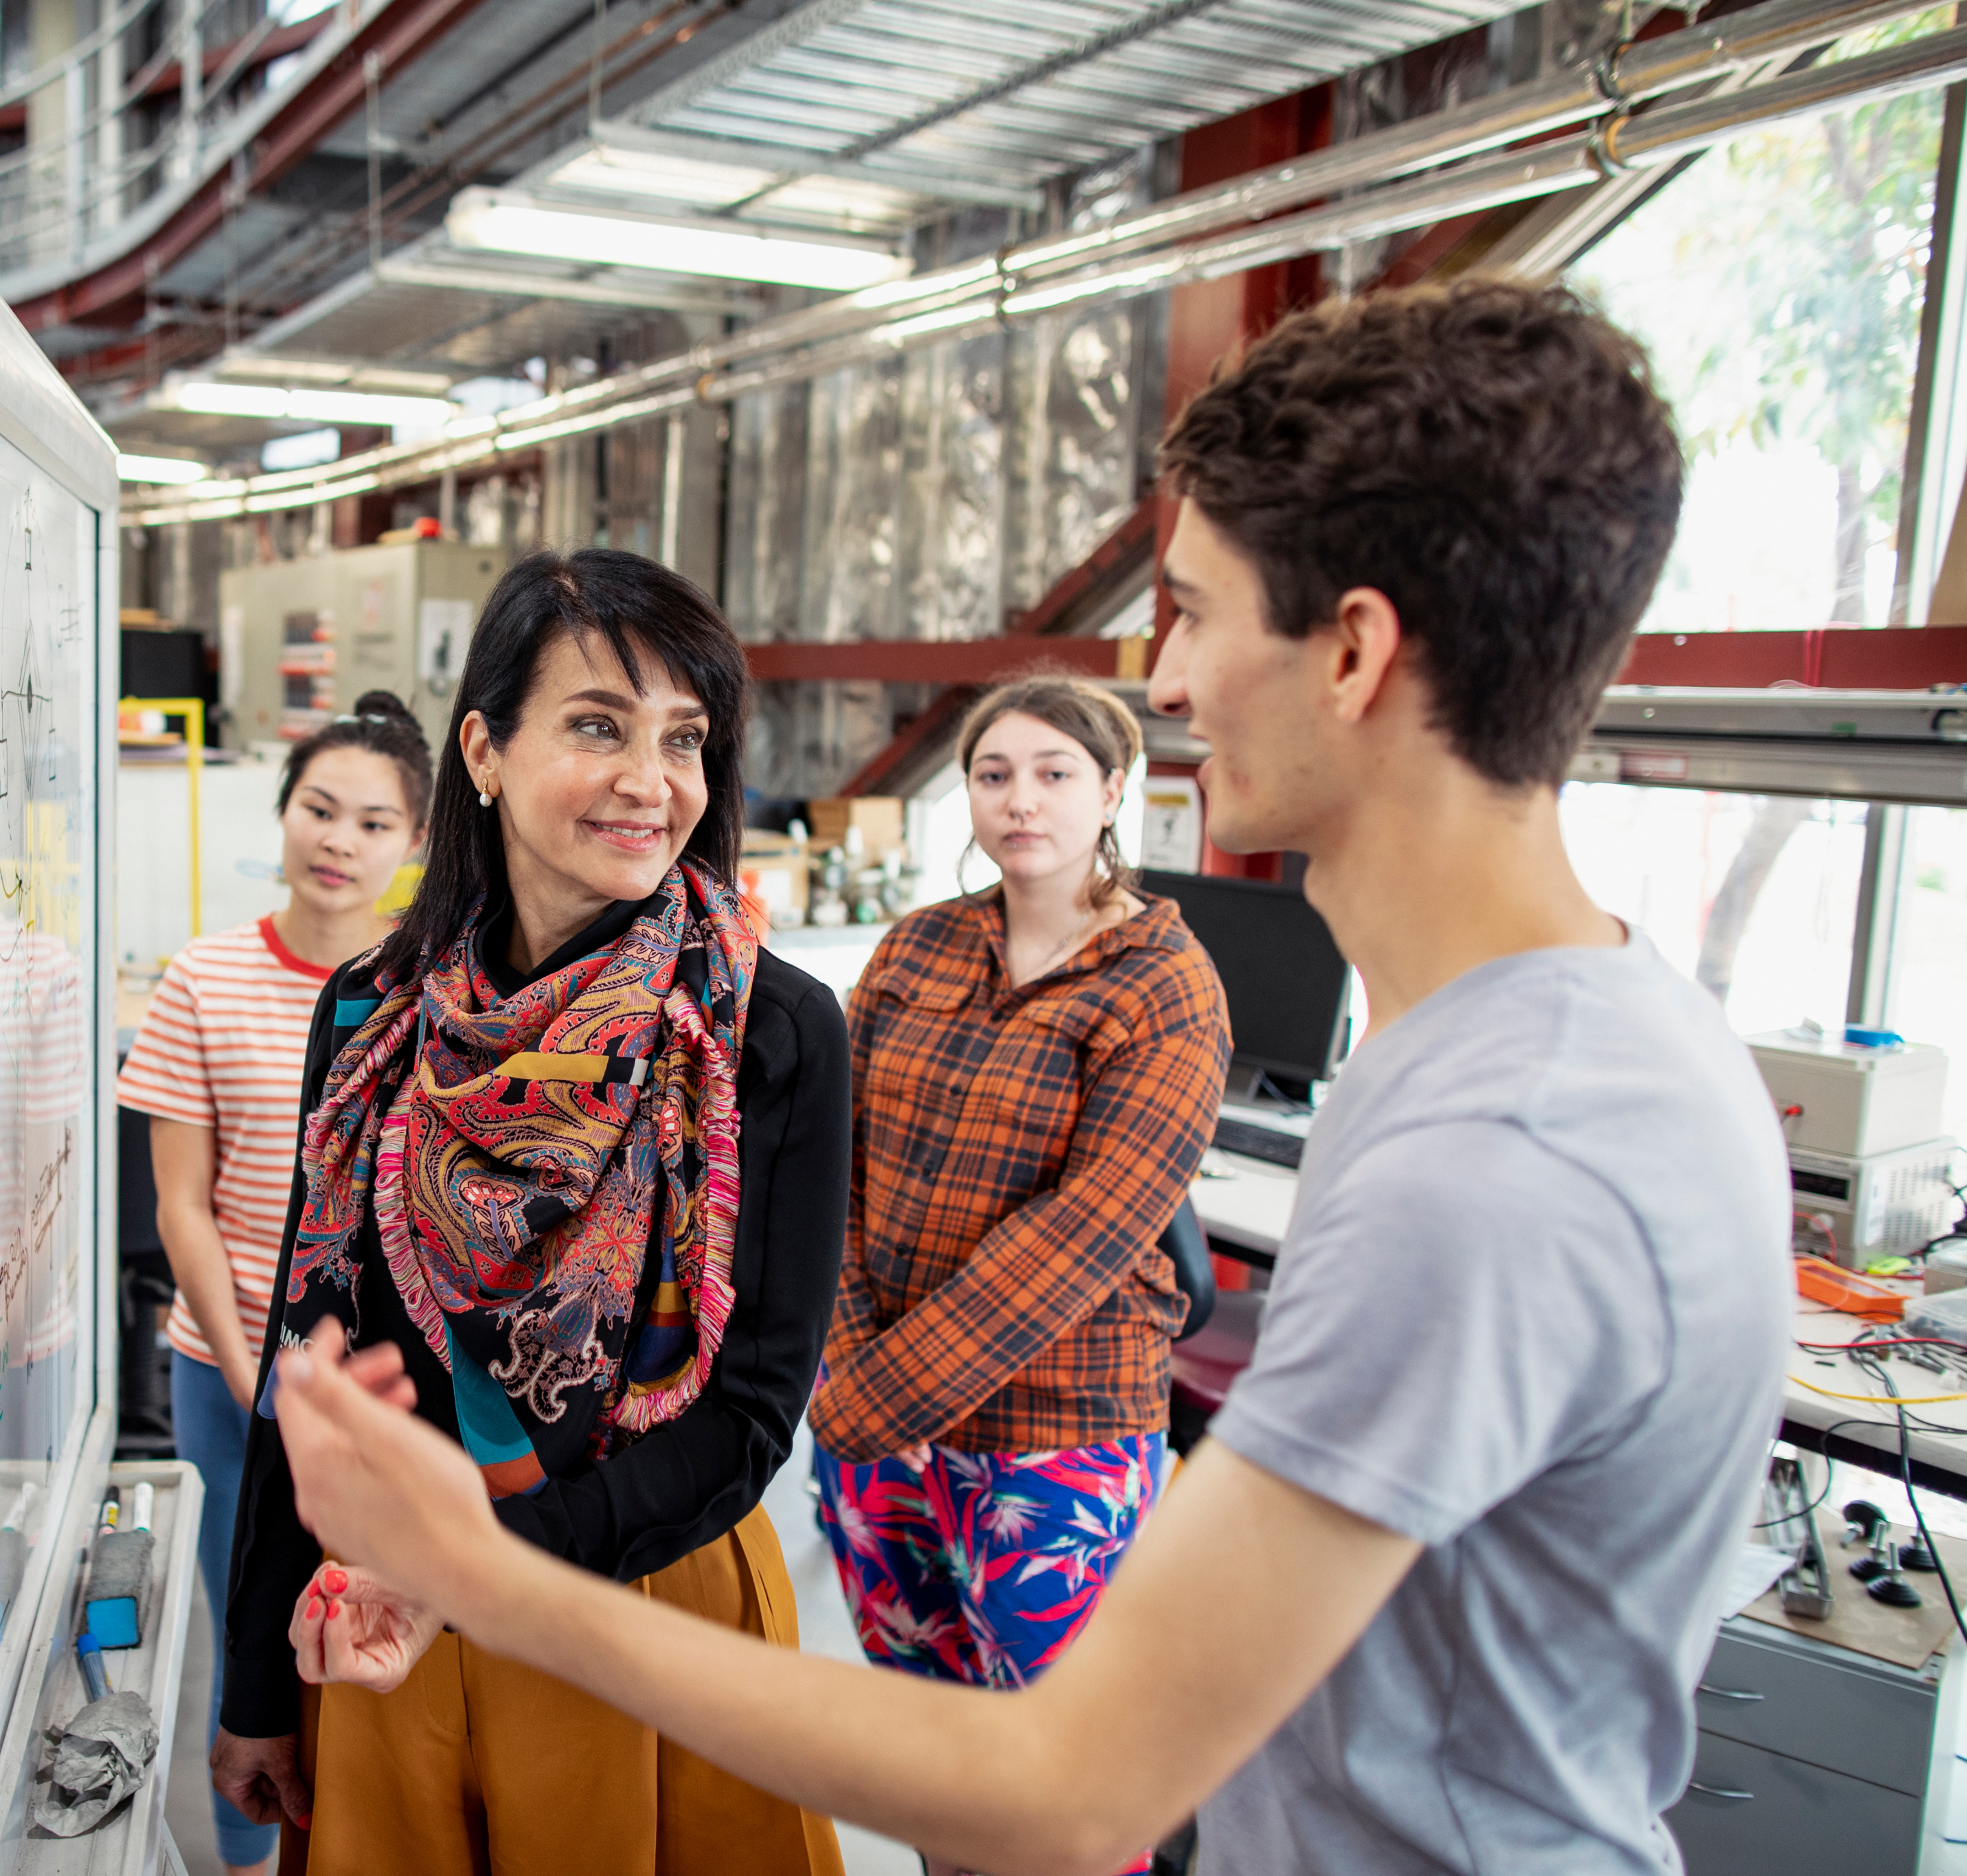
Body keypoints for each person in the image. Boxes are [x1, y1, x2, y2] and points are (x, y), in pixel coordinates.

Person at [257, 279, 1793, 1876]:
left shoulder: (1494, 1154)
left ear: (1349, 652)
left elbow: (1071, 1787)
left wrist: (486, 1573)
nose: (1169, 684)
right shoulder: (1560, 1053)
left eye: (1191, 612)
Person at [209, 548, 851, 1876]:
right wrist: (257, 1682)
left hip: (635, 1609)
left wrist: (472, 1571)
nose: (650, 781)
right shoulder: (374, 1019)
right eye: (598, 726)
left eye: (685, 739)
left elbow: (748, 1421)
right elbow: (307, 1367)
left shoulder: (768, 1029)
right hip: (382, 1623)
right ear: (485, 751)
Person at [811, 676, 1226, 1865]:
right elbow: (833, 1156)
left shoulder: (1164, 983)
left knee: (1067, 1781)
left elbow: (1082, 1239)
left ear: (1110, 792)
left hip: (1056, 1436)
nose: (1019, 800)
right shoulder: (919, 946)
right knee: (933, 1752)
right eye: (994, 774)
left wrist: (855, 1403)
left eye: (1052, 773)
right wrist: (846, 1356)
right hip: (876, 1423)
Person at [115, 691, 431, 1876]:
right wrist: (255, 1380)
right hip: (227, 1371)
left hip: (388, 1395)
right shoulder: (202, 980)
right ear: (284, 816)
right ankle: (249, 1868)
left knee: (376, 1637)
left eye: (374, 822)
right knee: (250, 1636)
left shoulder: (432, 992)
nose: (340, 841)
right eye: (320, 810)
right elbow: (179, 1208)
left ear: (414, 848)